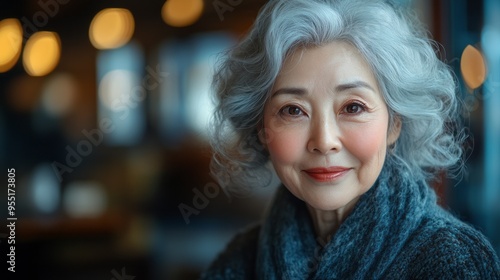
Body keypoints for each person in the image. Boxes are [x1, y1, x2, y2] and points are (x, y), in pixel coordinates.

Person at [202, 0, 500, 278]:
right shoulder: (238, 262)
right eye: (293, 110)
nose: (324, 140)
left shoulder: (451, 260)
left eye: (353, 107)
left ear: (394, 124)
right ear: (261, 129)